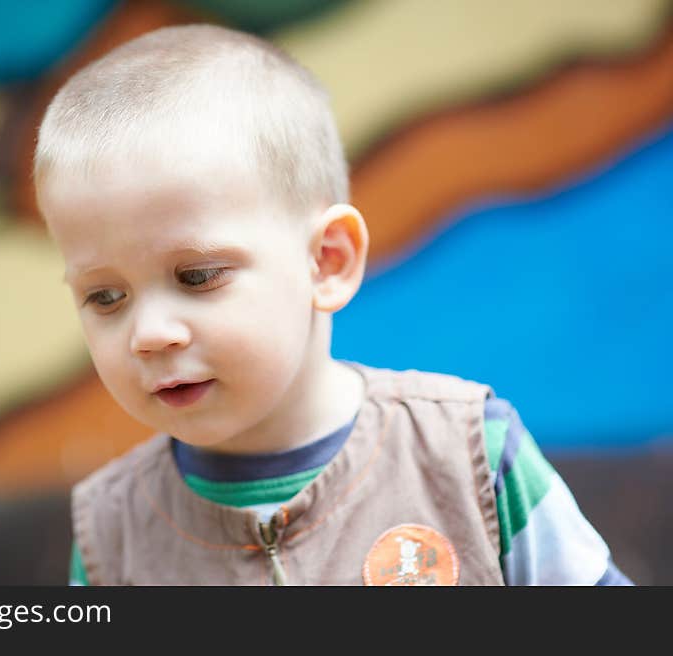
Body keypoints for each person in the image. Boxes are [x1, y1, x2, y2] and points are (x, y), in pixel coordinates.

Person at [33, 24, 631, 586]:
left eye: (197, 276)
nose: (150, 333)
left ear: (328, 261)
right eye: (105, 296)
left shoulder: (467, 452)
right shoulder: (110, 536)